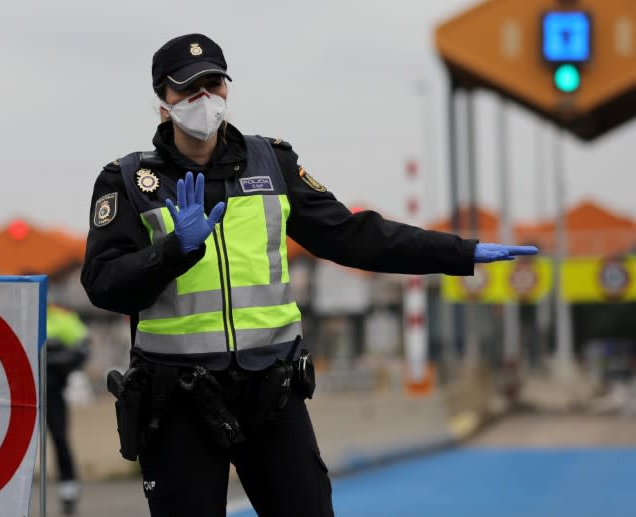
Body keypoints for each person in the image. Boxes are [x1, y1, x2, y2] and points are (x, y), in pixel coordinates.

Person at [81, 33, 537, 517]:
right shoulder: (129, 181)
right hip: (177, 403)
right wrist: (174, 251)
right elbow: (103, 284)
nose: (203, 99)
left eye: (213, 84)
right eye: (187, 89)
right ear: (163, 103)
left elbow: (353, 235)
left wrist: (458, 252)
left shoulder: (272, 163)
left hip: (270, 394)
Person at [45, 303, 90, 516]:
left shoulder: (62, 318)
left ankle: (69, 491)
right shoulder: (15, 318)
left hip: (52, 390)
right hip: (21, 392)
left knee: (60, 439)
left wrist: (56, 366)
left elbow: (83, 348)